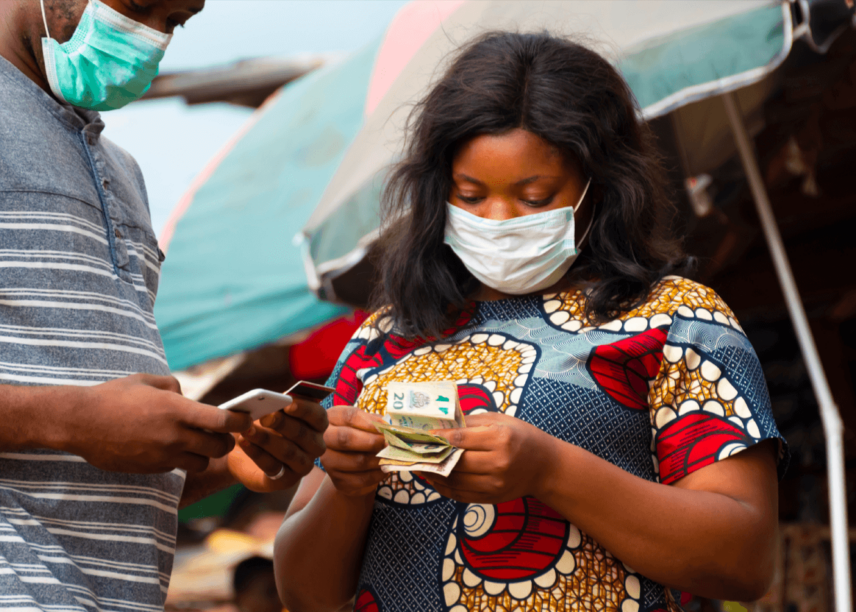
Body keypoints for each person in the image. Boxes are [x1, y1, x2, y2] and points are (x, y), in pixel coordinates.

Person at [274, 32, 788, 612]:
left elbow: (746, 560)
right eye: (470, 196)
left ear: (601, 187)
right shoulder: (384, 339)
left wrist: (550, 470)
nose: (497, 220)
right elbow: (304, 596)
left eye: (535, 197)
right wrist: (346, 488)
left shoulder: (677, 321)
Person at [0, 0, 326, 609]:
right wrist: (68, 419)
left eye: (176, 21)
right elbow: (76, 425)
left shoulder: (122, 170)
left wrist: (223, 459)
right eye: (140, 7)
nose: (152, 38)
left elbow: (89, 460)